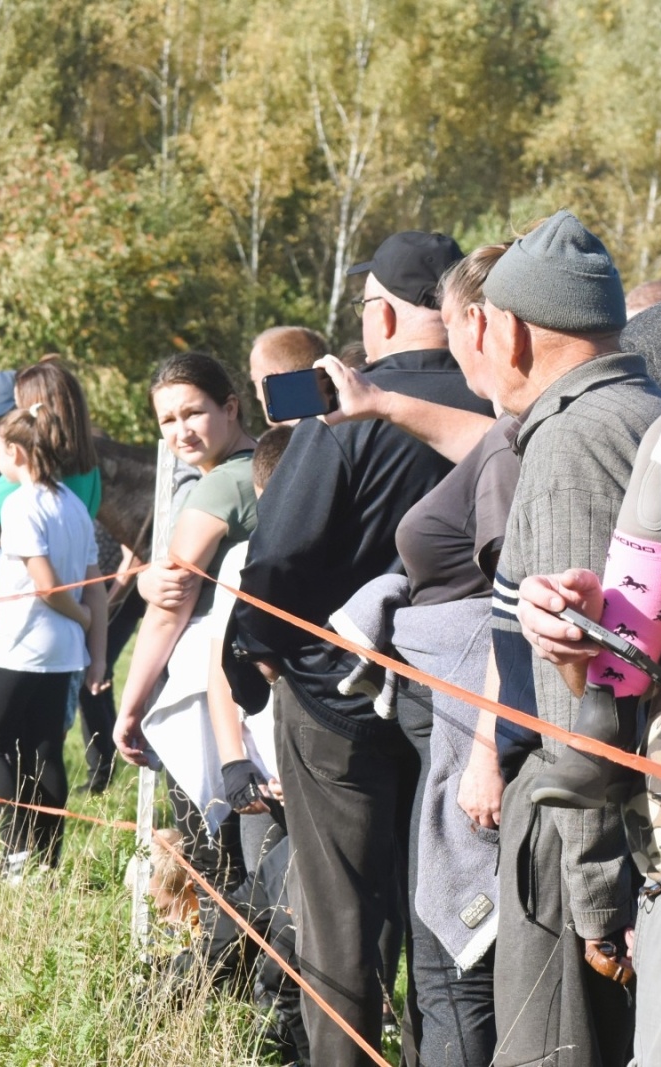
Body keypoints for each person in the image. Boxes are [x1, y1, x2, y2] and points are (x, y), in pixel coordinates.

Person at [221, 229, 493, 1067]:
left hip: (333, 696)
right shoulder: (497, 405)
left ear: (382, 316)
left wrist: (252, 660)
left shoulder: (343, 414)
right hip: (462, 694)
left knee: (340, 924)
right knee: (438, 916)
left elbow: (277, 555)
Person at [460, 210, 661, 1067]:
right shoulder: (640, 409)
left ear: (509, 330)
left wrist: (594, 896)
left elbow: (589, 695)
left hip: (601, 836)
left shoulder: (574, 440)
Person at [318, 243, 516, 1067]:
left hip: (476, 727)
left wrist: (485, 751)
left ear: (484, 326)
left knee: (450, 971)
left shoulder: (528, 441)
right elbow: (499, 440)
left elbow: (518, 598)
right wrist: (384, 405)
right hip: (452, 718)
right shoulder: (519, 432)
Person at [113, 352, 258, 905]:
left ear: (230, 407)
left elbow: (172, 604)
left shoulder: (222, 486)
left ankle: (215, 974)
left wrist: (133, 704)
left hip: (211, 686)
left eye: (193, 413)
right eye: (167, 421)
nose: (180, 431)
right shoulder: (265, 466)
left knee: (211, 845)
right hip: (253, 677)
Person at [0, 408, 107, 880]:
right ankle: (47, 862)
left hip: (23, 641)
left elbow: (48, 587)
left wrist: (81, 615)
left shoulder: (21, 503)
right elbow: (97, 583)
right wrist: (96, 650)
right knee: (43, 750)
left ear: (17, 452)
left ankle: (15, 853)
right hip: (64, 650)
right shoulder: (73, 503)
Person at [248, 326, 331, 427]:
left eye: (256, 381)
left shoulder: (300, 441)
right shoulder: (347, 426)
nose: (257, 396)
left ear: (275, 383)